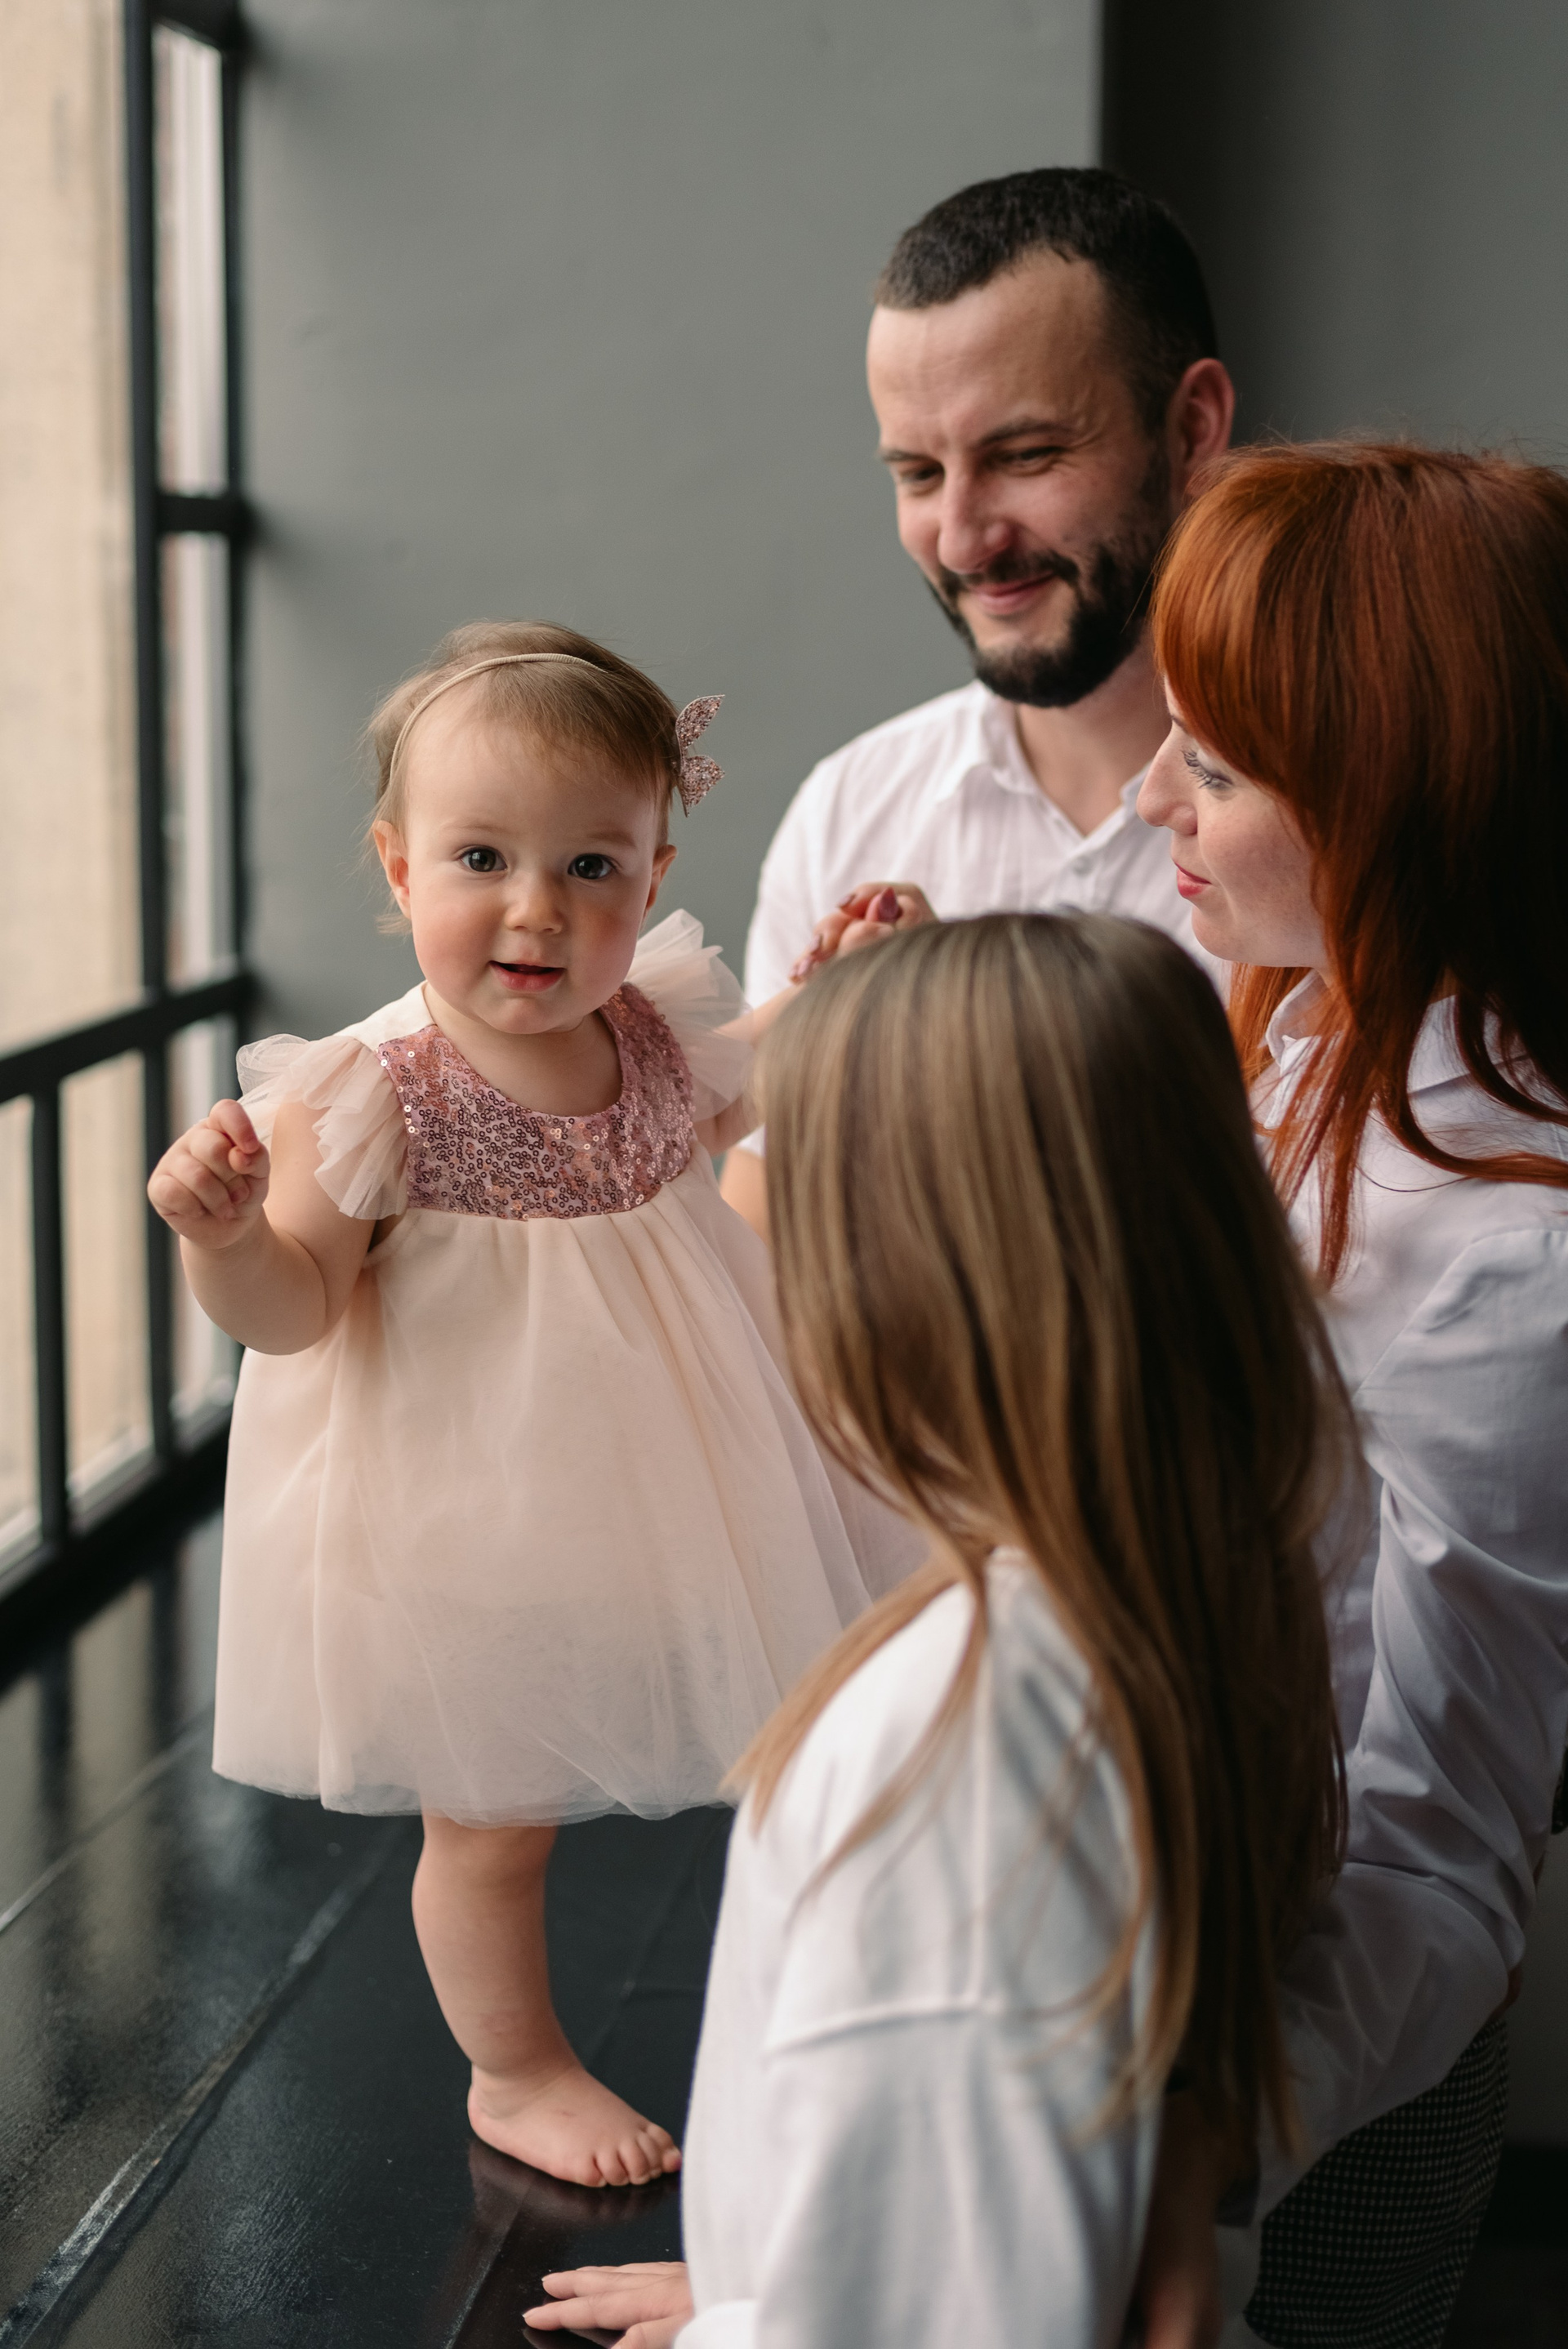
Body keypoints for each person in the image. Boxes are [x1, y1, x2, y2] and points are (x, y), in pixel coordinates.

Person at [528, 912, 1352, 2348]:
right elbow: (994, 2213)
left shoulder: (949, 1739)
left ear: (902, 1268)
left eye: (788, 1199)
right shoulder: (1186, 1579)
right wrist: (792, 2283)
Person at [145, 621, 896, 2193]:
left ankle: (844, 1997)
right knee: (491, 1821)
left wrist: (828, 989)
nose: (538, 909)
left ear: (654, 870)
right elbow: (296, 1310)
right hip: (467, 1514)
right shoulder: (373, 1090)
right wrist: (226, 1242)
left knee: (802, 1720)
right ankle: (517, 2068)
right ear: (400, 866)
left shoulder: (647, 1025)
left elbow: (744, 1086)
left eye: (592, 867)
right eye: (482, 858)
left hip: (666, 1482)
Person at [1135, 444, 1568, 2346]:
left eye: (1217, 768)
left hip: (1316, 2089)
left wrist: (1139, 2174)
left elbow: (1436, 1846)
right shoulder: (1307, 1031)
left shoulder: (1509, 1254)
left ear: (1408, 803)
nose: (1151, 796)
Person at [720, 165, 1235, 1237]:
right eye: (917, 473)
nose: (961, 541)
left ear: (1191, 429)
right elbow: (766, 1244)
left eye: (1027, 455)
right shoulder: (851, 810)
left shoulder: (1346, 819)